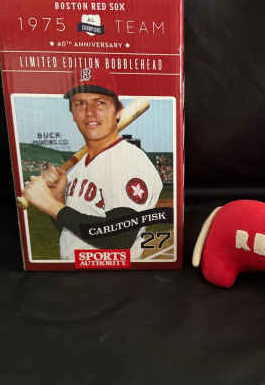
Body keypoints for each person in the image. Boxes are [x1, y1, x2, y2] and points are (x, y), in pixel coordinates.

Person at [23, 67, 163, 260]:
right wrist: (58, 199)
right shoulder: (77, 168)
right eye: (80, 103)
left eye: (100, 103)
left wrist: (49, 204)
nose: (90, 112)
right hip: (75, 269)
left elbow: (121, 237)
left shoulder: (130, 160)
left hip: (114, 274)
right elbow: (69, 229)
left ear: (118, 111)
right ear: (73, 114)